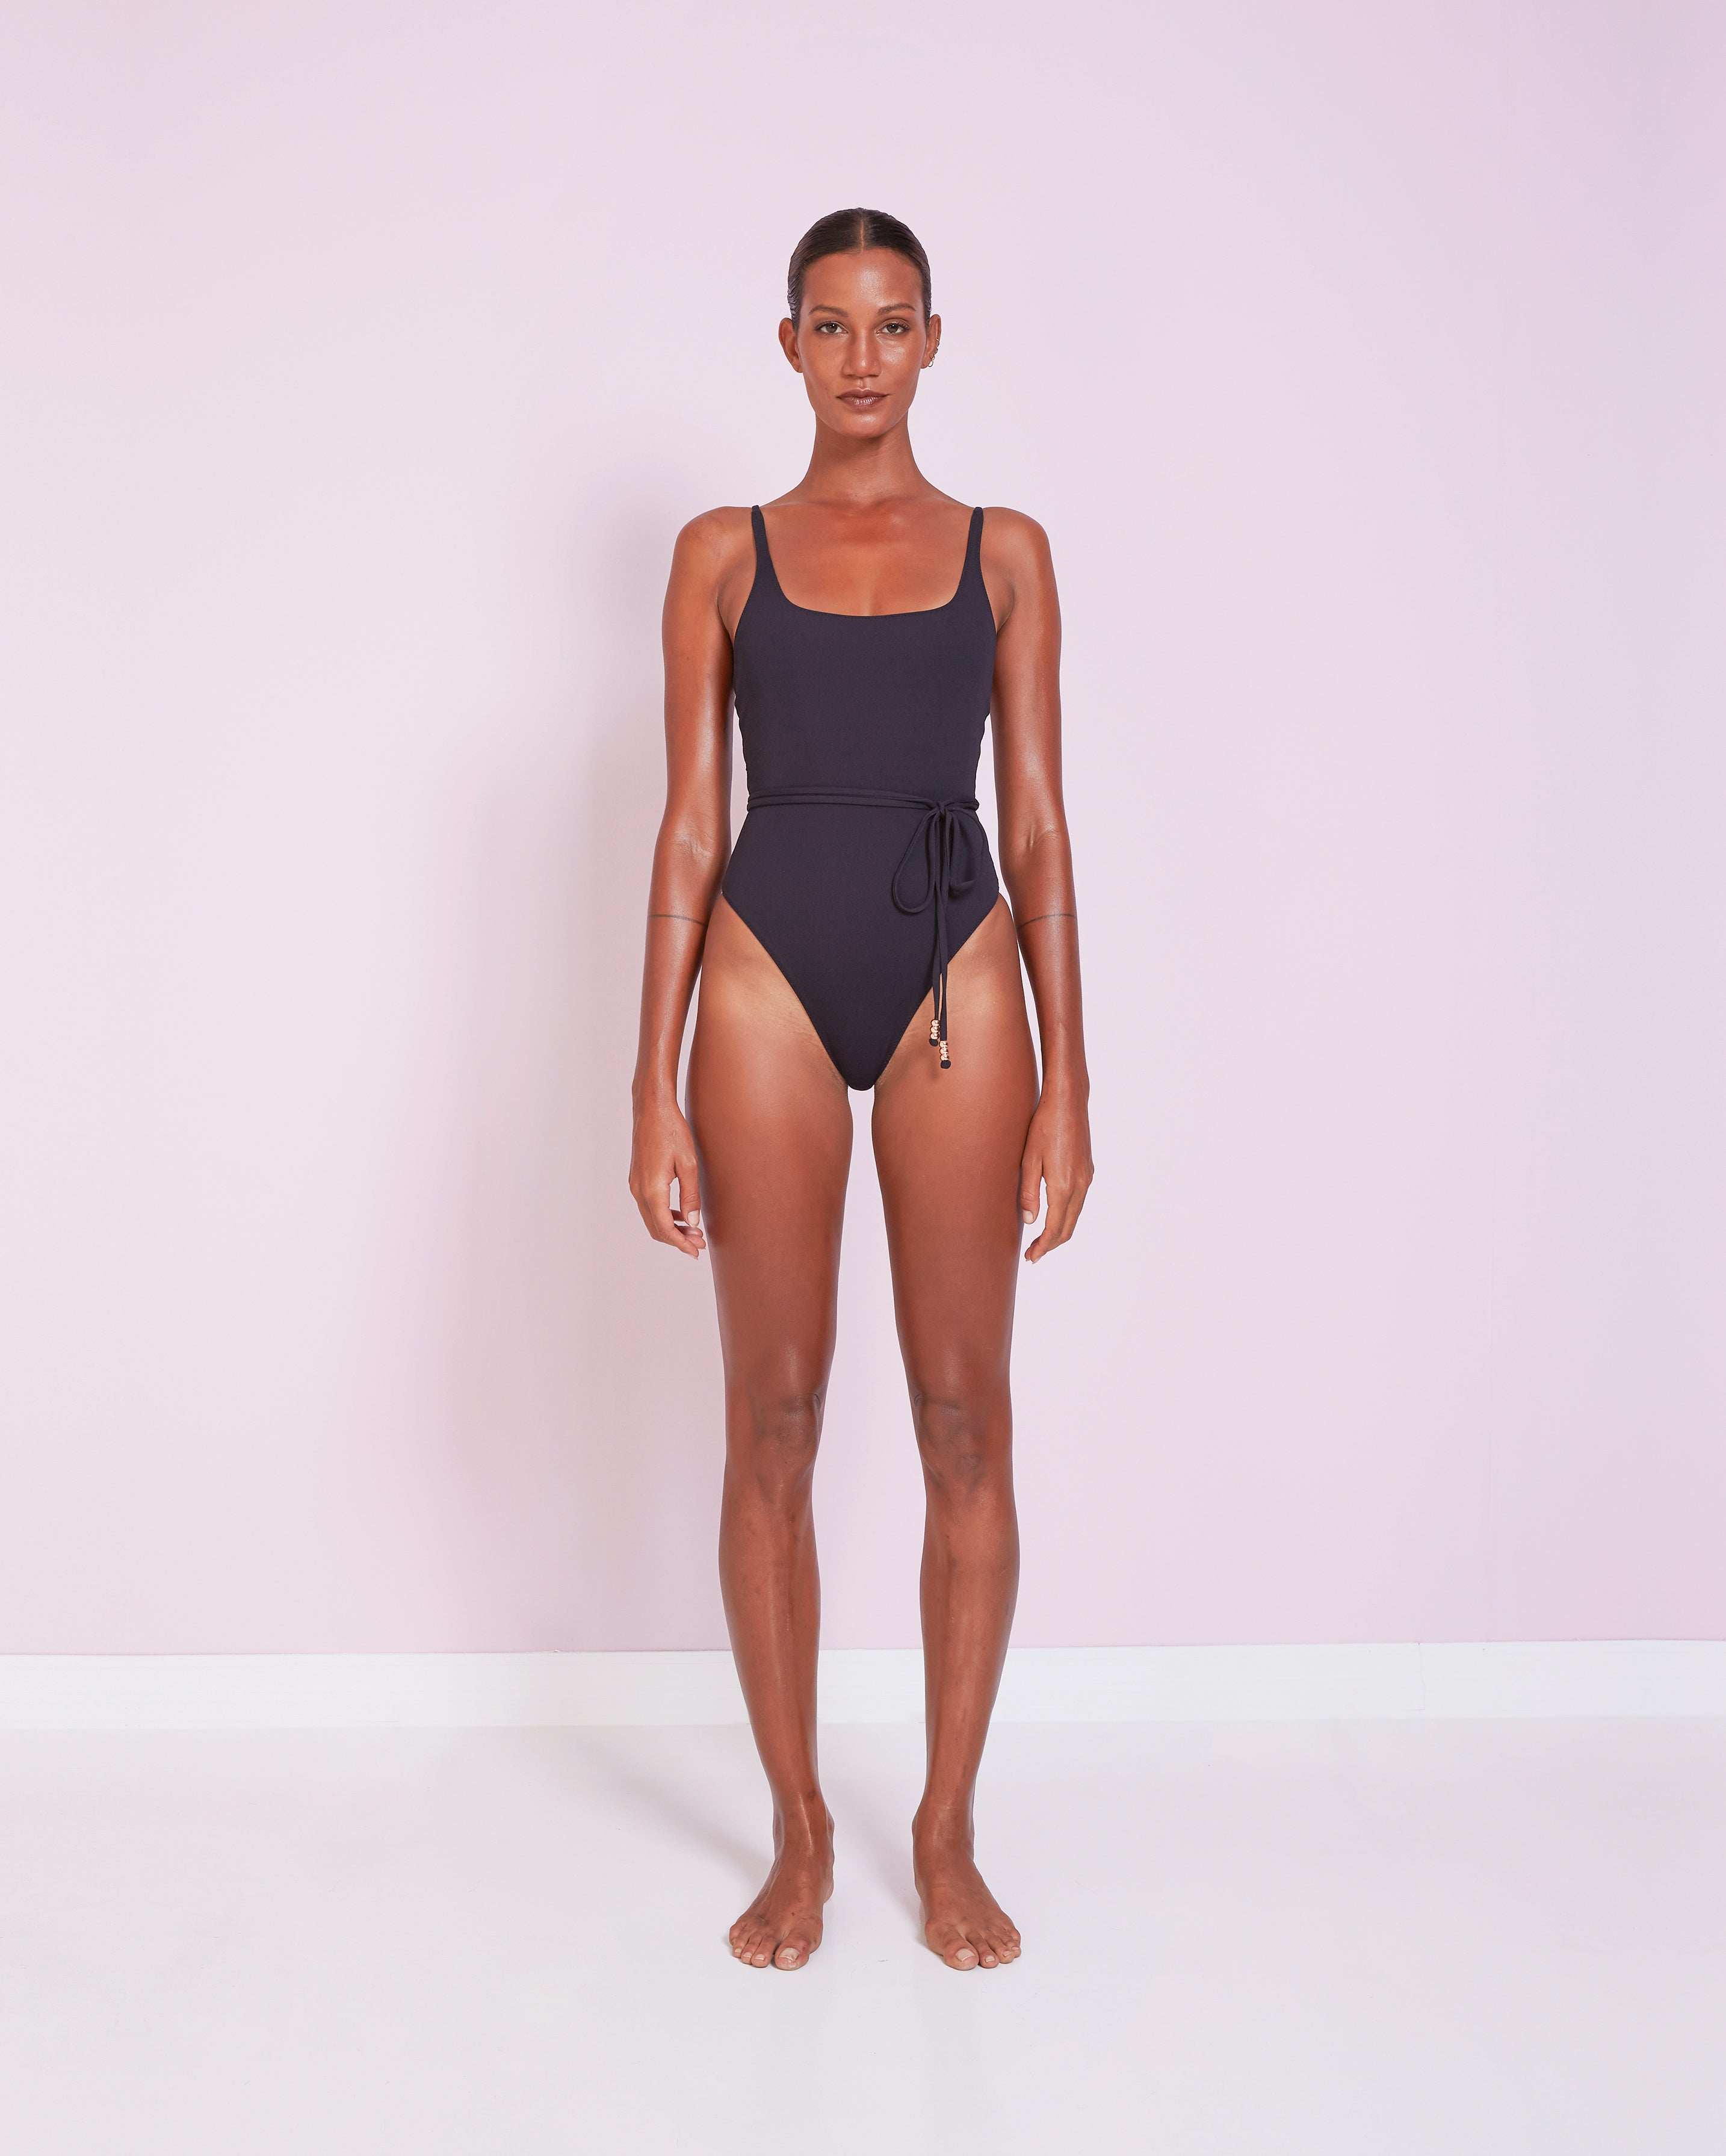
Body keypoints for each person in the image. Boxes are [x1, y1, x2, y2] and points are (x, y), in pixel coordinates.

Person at [628, 207, 1093, 1973]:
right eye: (830, 327)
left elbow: (1037, 824)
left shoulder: (1007, 553)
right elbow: (689, 822)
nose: (861, 359)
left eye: (891, 326)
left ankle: (945, 1828)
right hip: (764, 965)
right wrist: (649, 1084)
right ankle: (800, 1825)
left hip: (955, 971)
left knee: (964, 1418)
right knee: (774, 1414)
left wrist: (1074, 1080)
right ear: (788, 346)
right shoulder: (720, 555)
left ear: (932, 341)